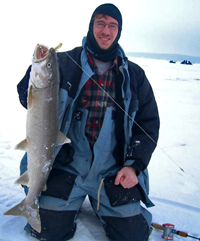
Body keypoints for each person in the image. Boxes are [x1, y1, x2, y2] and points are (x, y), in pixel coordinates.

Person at [17, 3, 160, 241]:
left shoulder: (134, 76)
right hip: (66, 166)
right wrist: (35, 71)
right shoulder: (63, 63)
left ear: (119, 31)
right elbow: (27, 98)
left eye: (112, 25)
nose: (106, 30)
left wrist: (133, 165)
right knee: (49, 230)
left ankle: (102, 202)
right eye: (100, 23)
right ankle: (70, 204)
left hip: (112, 171)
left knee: (132, 235)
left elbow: (148, 125)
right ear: (91, 25)